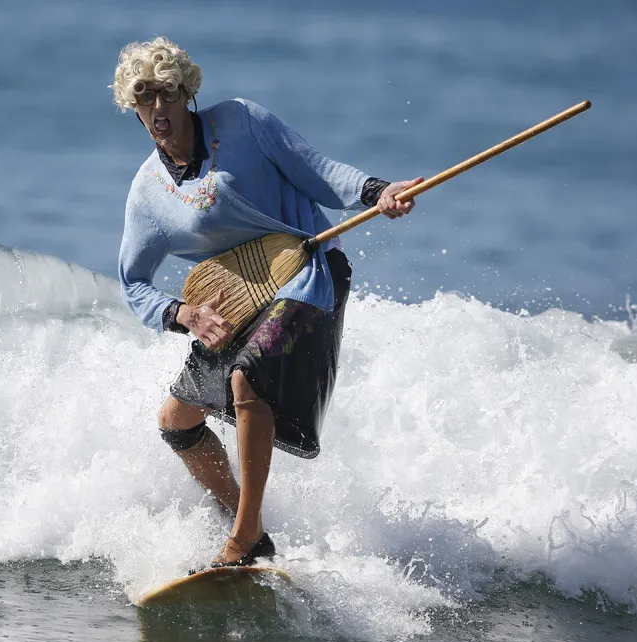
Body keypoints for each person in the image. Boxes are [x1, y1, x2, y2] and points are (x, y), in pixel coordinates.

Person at [113, 37, 421, 567]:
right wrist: (183, 314)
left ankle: (243, 532)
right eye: (145, 96)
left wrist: (376, 192)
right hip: (236, 299)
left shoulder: (240, 123)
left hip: (307, 273)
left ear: (187, 93)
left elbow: (318, 169)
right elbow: (133, 281)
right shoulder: (148, 192)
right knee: (176, 421)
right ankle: (250, 528)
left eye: (167, 93)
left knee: (244, 379)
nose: (158, 107)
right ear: (132, 105)